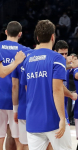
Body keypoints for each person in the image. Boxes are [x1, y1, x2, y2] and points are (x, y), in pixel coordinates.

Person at [20, 20, 77, 150]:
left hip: (33, 121)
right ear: (53, 36)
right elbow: (57, 90)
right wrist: (63, 118)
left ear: (38, 37)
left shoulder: (27, 60)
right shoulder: (57, 58)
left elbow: (27, 89)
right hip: (53, 119)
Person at [0, 21, 27, 150]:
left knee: (0, 138)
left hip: (0, 100)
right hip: (16, 101)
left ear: (6, 32)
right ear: (20, 34)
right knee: (19, 139)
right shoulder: (25, 51)